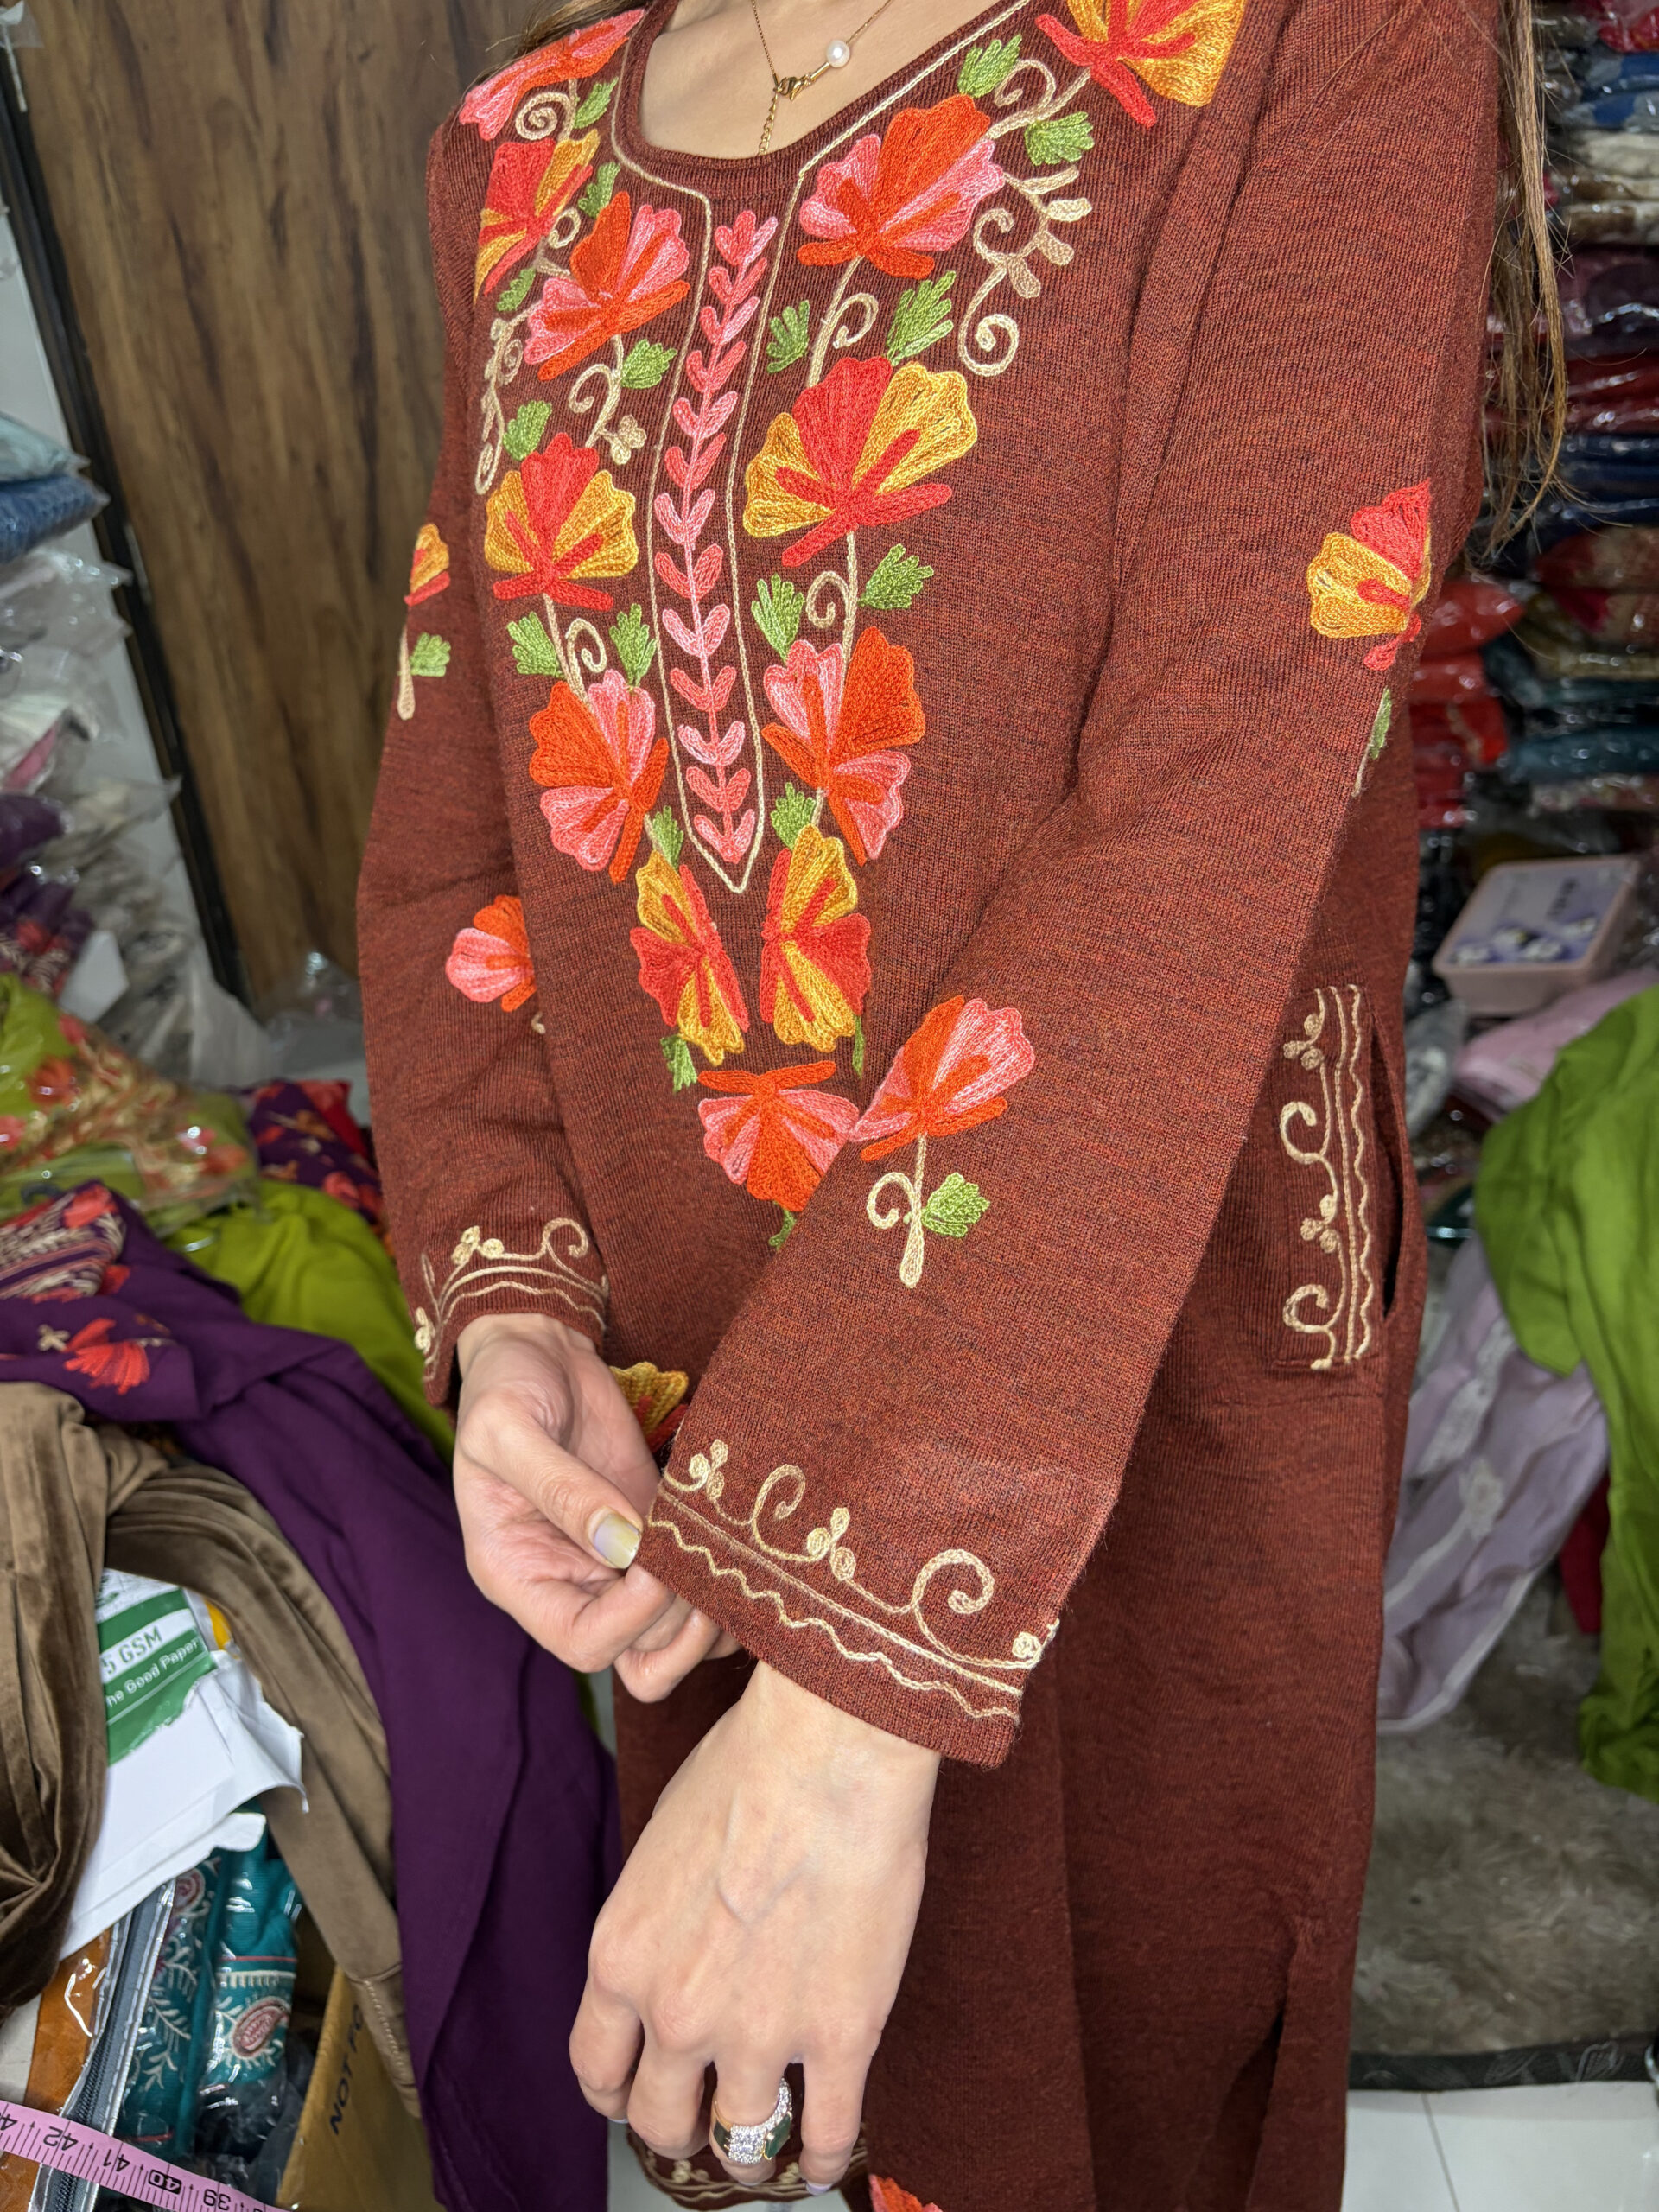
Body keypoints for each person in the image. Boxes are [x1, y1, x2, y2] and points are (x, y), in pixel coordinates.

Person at [357, 0, 1560, 2202]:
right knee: (861, 2096)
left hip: (1153, 1331)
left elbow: (1216, 794)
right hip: (705, 1370)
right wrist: (515, 1294)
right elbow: (462, 809)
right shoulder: (520, 149)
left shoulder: (1310, 43)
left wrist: (846, 1700)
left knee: (1151, 2034)